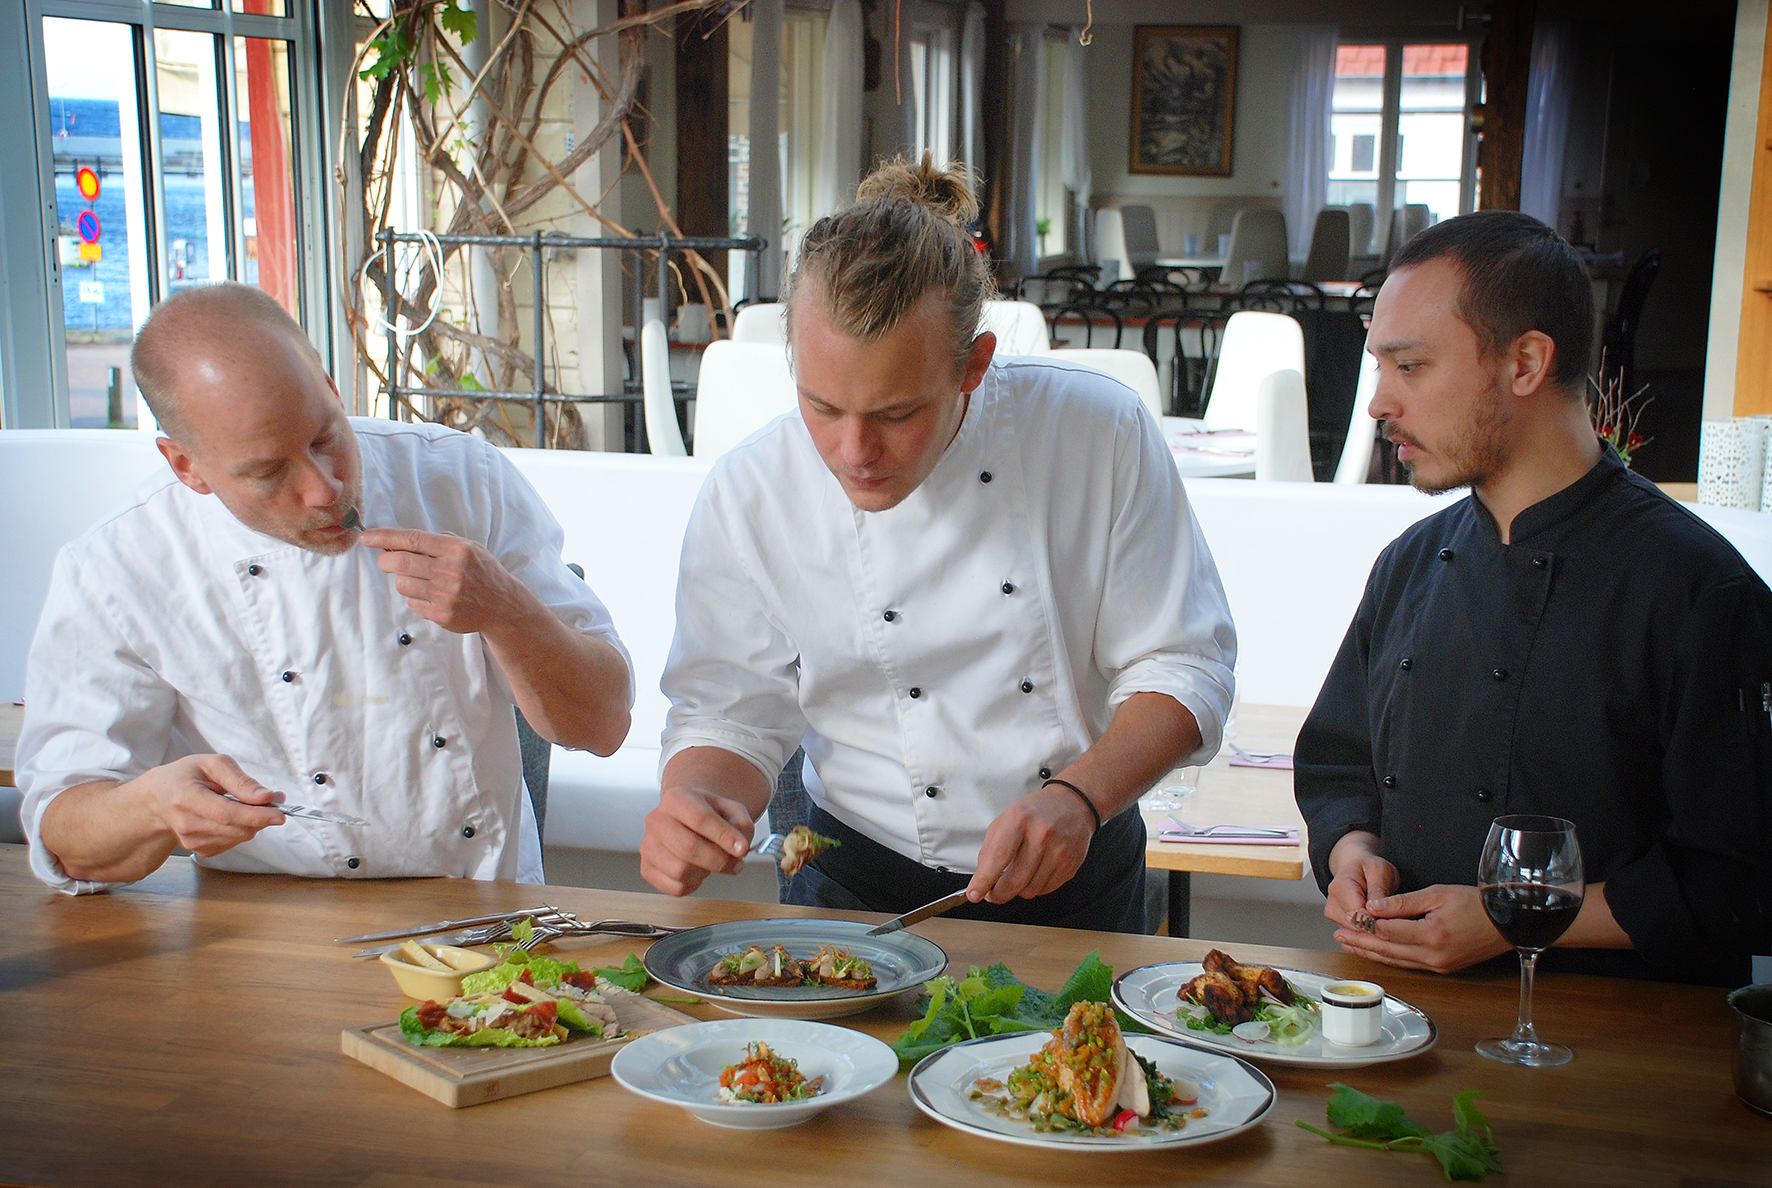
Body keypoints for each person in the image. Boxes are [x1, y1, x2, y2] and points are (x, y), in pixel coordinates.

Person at [638, 159, 1236, 931]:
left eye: (895, 413)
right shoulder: (753, 489)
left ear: (974, 367)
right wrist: (697, 803)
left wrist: (1081, 796)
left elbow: (1184, 665)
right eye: (821, 406)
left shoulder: (1097, 435)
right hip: (846, 892)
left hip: (1076, 877)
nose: (854, 450)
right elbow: (730, 715)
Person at [18, 282, 633, 893]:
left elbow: (603, 726)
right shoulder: (119, 565)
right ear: (185, 466)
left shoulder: (460, 478)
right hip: (264, 931)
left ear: (334, 390)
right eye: (267, 472)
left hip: (486, 909)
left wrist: (507, 611)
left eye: (324, 438)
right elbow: (64, 827)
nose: (325, 489)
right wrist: (152, 808)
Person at [1295, 211, 1772, 986]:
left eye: (1409, 367)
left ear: (1525, 363)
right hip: (1401, 1018)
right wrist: (1355, 856)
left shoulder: (1698, 591)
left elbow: (1738, 877)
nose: (1379, 403)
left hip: (1620, 1052)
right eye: (1379, 367)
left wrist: (1514, 916)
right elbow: (1339, 766)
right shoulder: (1409, 566)